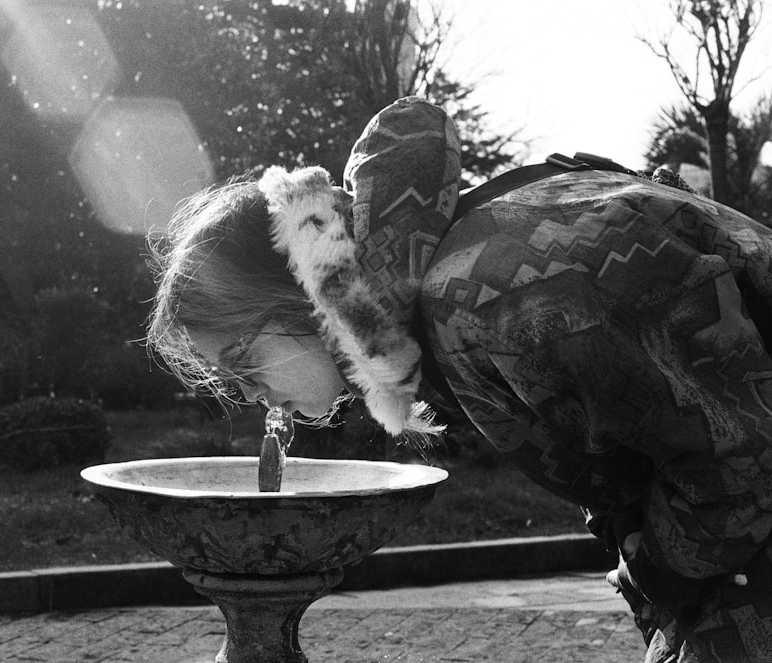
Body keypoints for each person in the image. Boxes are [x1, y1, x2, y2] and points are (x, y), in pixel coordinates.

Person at [146, 96, 772, 662]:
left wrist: (657, 570)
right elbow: (611, 428)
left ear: (292, 295)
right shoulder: (437, 298)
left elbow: (743, 456)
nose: (251, 394)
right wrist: (635, 547)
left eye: (243, 359)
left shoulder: (484, 297)